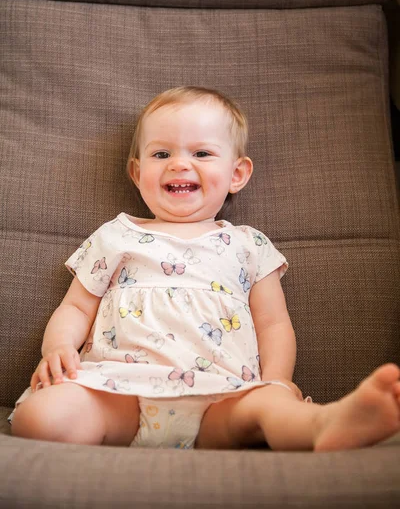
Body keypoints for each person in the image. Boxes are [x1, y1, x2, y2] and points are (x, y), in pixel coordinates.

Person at [11, 86, 400, 450]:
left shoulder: (248, 244)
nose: (179, 164)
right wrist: (58, 347)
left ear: (237, 174)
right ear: (136, 172)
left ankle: (324, 425)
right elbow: (77, 307)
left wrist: (278, 379)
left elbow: (273, 323)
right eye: (161, 154)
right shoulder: (115, 235)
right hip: (120, 390)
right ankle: (75, 422)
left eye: (201, 154)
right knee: (40, 417)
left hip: (222, 394)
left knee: (268, 407)